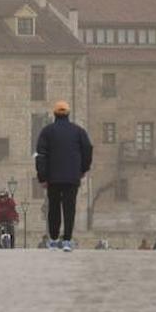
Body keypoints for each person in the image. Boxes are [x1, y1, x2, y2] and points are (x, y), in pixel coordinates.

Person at [34, 100, 92, 252]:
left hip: (53, 177)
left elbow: (41, 155)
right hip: (72, 176)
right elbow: (87, 149)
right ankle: (67, 240)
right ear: (68, 114)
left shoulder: (47, 131)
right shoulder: (78, 131)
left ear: (55, 114)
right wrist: (83, 169)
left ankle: (53, 240)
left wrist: (42, 177)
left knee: (53, 207)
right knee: (69, 208)